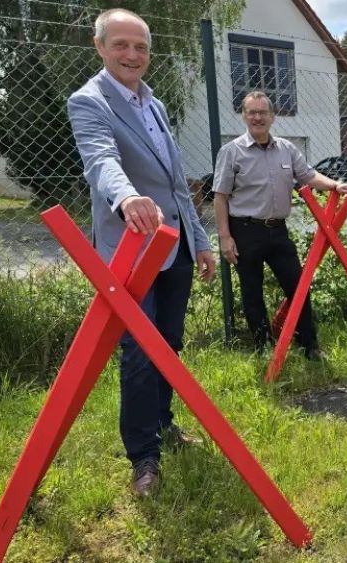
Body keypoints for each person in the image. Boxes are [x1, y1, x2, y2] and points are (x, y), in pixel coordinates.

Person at [67, 8, 217, 496]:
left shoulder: (152, 103)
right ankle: (143, 458)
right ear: (100, 46)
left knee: (169, 343)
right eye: (122, 45)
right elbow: (101, 159)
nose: (133, 55)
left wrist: (201, 240)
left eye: (141, 47)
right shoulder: (90, 102)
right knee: (137, 353)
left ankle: (164, 423)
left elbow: (176, 185)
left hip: (175, 249)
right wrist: (126, 196)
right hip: (130, 251)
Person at [212, 91, 347, 359]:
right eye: (252, 112)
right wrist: (225, 237)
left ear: (272, 116)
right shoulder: (231, 152)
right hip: (245, 231)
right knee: (252, 293)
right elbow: (220, 197)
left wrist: (336, 184)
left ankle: (309, 346)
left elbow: (309, 175)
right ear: (243, 116)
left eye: (262, 112)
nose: (257, 117)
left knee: (298, 285)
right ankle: (264, 348)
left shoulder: (287, 149)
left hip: (278, 231)